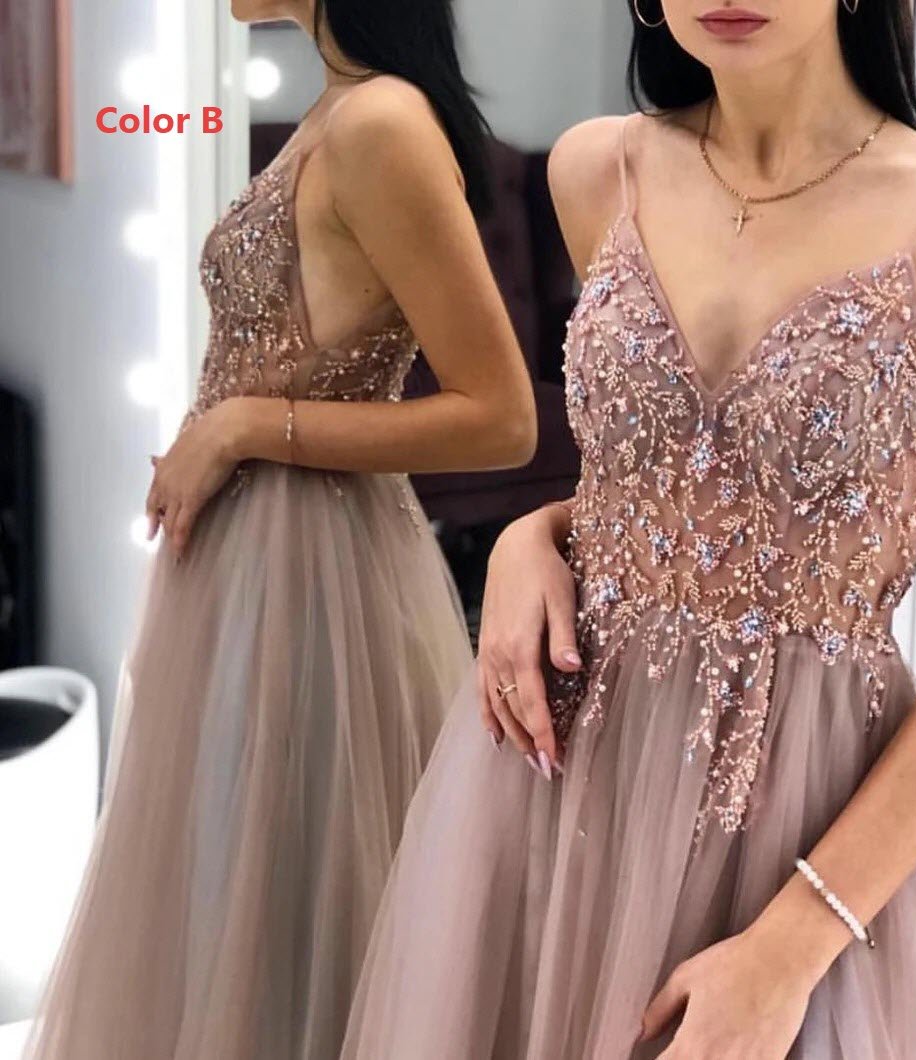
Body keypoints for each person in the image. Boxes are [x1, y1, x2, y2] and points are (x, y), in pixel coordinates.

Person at [341, 0, 916, 1056]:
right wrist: (534, 536)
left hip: (808, 826)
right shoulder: (597, 170)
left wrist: (796, 941)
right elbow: (666, 482)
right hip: (562, 787)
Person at [24, 1, 535, 1057]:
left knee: (295, 903)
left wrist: (245, 424)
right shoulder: (340, 109)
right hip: (253, 565)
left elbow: (501, 416)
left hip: (311, 578)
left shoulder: (379, 122)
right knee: (241, 902)